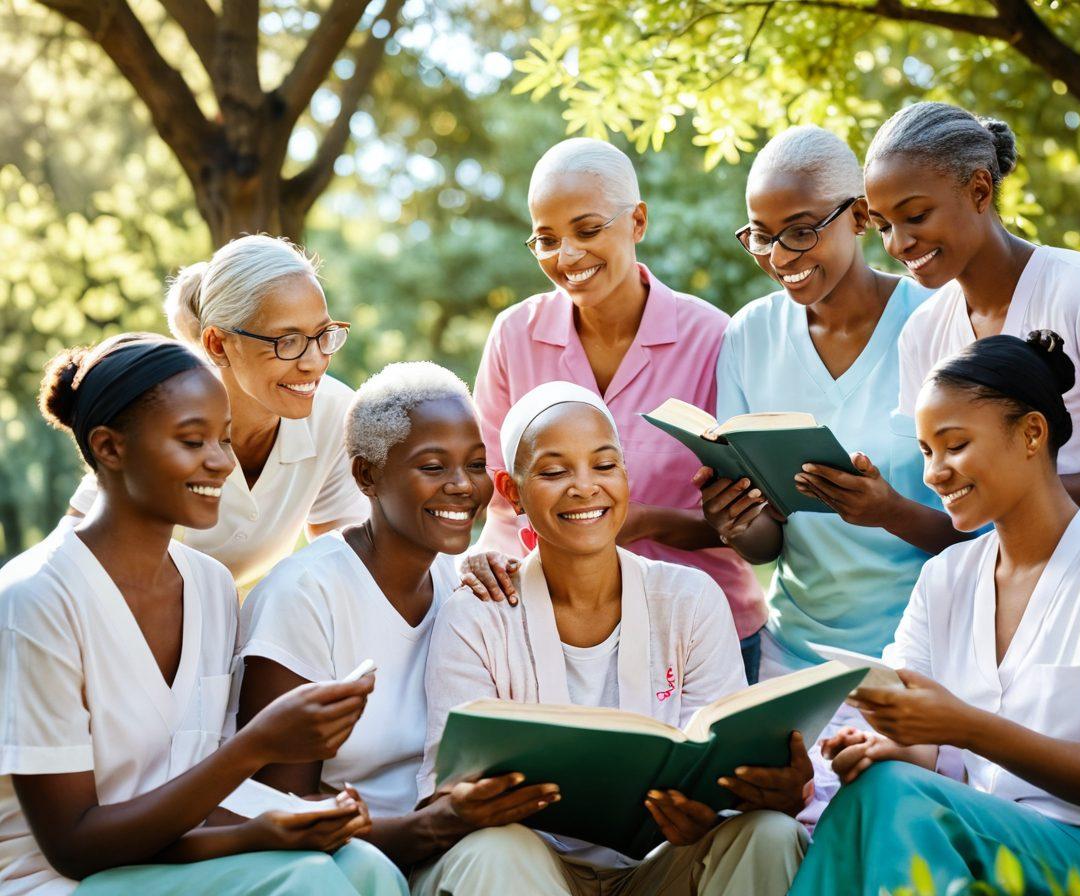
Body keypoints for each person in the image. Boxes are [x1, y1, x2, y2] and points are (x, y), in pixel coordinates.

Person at [0, 334, 404, 895]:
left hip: (169, 860)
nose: (221, 463)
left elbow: (187, 795)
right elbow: (73, 846)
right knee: (308, 883)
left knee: (368, 868)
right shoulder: (36, 599)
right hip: (55, 882)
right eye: (193, 441)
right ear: (109, 449)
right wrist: (258, 745)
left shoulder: (212, 587)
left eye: (225, 439)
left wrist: (278, 824)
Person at [412, 382, 811, 896]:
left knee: (769, 833)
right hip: (533, 869)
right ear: (512, 491)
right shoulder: (479, 615)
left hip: (663, 862)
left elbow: (718, 760)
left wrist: (738, 797)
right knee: (495, 849)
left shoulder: (688, 599)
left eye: (604, 466)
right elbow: (444, 794)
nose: (584, 488)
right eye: (554, 472)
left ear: (625, 473)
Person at [790, 332, 1080, 895]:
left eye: (954, 445)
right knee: (878, 783)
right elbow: (935, 750)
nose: (934, 473)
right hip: (986, 841)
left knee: (896, 795)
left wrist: (969, 727)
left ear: (1032, 433)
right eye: (926, 451)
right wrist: (889, 744)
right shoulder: (947, 578)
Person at [461, 137, 766, 680]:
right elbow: (499, 496)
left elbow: (747, 516)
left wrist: (642, 523)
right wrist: (482, 554)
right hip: (553, 636)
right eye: (546, 239)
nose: (568, 256)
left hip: (701, 634)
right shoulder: (514, 336)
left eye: (588, 229)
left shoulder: (715, 337)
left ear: (638, 222)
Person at [236, 362, 557, 870]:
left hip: (468, 847)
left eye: (475, 465)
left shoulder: (468, 585)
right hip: (353, 868)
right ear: (367, 474)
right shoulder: (304, 598)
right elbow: (280, 823)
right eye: (433, 467)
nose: (462, 487)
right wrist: (440, 823)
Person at [700, 125, 954, 689]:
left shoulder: (941, 322)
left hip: (925, 656)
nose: (778, 256)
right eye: (761, 236)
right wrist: (736, 525)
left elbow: (992, 536)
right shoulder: (750, 335)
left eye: (800, 232)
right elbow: (770, 543)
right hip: (793, 655)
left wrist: (889, 510)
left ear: (861, 216)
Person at [864, 101, 1080, 525]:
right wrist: (885, 509)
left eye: (916, 216)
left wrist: (1022, 492)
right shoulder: (923, 333)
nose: (897, 244)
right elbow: (961, 519)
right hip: (1011, 586)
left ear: (979, 191)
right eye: (882, 225)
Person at [64, 234, 368, 586]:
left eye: (323, 334)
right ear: (218, 344)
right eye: (287, 342)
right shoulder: (161, 414)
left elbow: (342, 569)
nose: (315, 362)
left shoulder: (335, 413)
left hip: (244, 630)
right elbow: (76, 550)